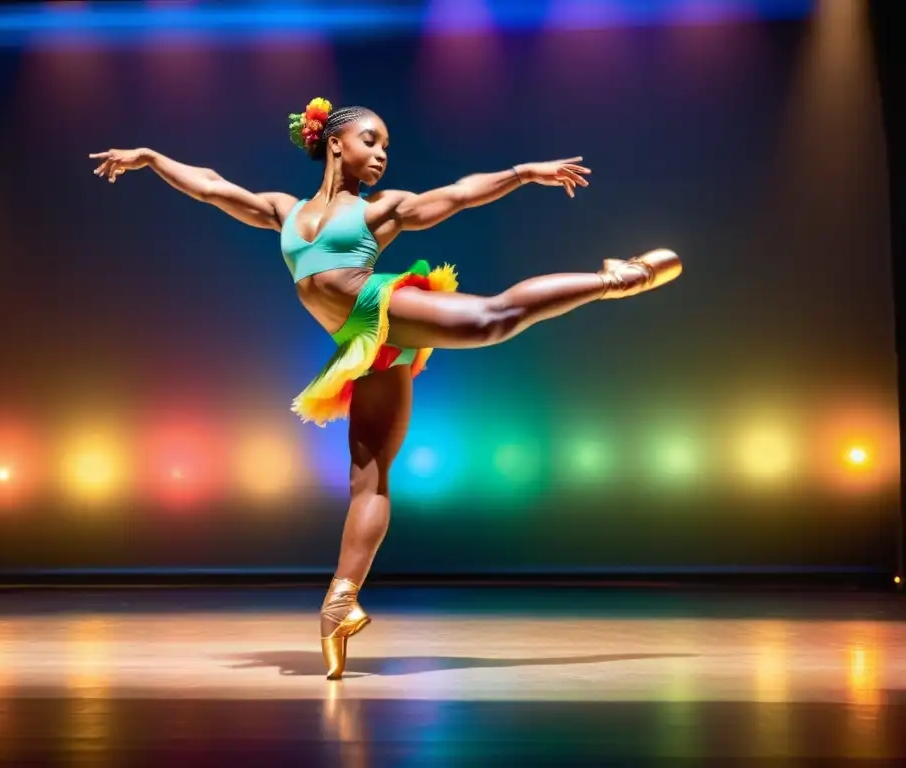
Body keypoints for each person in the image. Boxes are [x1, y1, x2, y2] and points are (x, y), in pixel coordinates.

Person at [90, 97, 681, 680]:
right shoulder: (283, 211)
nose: (380, 156)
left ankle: (618, 277)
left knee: (492, 320)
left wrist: (522, 173)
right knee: (367, 478)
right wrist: (150, 156)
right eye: (371, 141)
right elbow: (212, 186)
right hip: (362, 341)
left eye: (387, 147)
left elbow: (456, 195)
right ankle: (339, 603)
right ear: (334, 143)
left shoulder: (380, 211)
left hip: (382, 305)